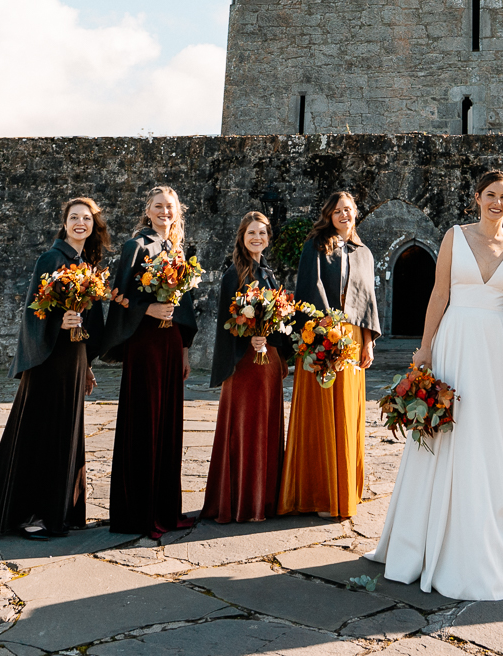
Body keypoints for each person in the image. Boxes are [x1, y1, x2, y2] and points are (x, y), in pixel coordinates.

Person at [373, 170, 503, 599]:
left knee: (492, 432)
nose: (497, 203)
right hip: (454, 342)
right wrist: (424, 350)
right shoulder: (454, 236)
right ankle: (425, 539)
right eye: (491, 195)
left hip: (496, 344)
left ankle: (497, 532)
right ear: (477, 197)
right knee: (448, 427)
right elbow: (438, 295)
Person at [0, 196, 109, 540]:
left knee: (65, 432)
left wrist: (88, 363)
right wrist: (58, 324)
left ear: (94, 225)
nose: (81, 223)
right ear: (64, 224)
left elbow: (89, 320)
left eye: (87, 218)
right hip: (49, 359)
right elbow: (35, 310)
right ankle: (31, 515)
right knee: (42, 433)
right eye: (74, 218)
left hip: (73, 361)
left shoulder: (86, 263)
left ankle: (58, 512)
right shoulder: (51, 258)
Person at [102, 185, 199, 540]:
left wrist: (186, 349)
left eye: (170, 207)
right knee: (145, 422)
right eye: (158, 207)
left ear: (177, 212)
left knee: (168, 424)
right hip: (145, 344)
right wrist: (148, 309)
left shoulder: (177, 249)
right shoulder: (136, 246)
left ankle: (165, 510)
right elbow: (120, 297)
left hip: (171, 345)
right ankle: (139, 514)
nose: (165, 212)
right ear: (148, 210)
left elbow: (185, 305)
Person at [280, 190, 381, 518]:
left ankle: (345, 490)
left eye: (349, 210)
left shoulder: (363, 253)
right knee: (322, 411)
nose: (343, 215)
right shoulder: (316, 245)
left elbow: (367, 301)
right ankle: (320, 493)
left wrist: (367, 341)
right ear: (329, 214)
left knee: (347, 412)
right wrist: (327, 330)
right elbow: (311, 288)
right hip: (321, 333)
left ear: (355, 214)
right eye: (338, 210)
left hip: (352, 337)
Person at [204, 211, 291, 523]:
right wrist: (248, 337)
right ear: (242, 236)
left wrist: (273, 345)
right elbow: (227, 324)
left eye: (262, 233)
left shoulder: (267, 272)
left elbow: (280, 319)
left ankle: (265, 501)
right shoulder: (235, 275)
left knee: (265, 428)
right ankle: (242, 503)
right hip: (244, 365)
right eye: (252, 233)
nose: (257, 238)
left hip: (266, 364)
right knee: (246, 429)